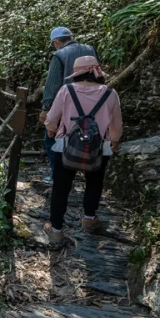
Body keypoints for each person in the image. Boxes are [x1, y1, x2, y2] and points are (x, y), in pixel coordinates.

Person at [44, 55, 122, 248]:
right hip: (98, 146)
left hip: (67, 145)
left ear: (78, 73)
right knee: (94, 182)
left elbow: (52, 118)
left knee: (61, 187)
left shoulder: (67, 91)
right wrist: (114, 141)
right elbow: (116, 124)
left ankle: (56, 230)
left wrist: (51, 130)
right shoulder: (110, 93)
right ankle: (88, 218)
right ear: (96, 73)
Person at [39, 26, 98, 183]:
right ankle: (84, 174)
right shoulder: (90, 49)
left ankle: (57, 176)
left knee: (53, 139)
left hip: (67, 104)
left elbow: (52, 85)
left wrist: (46, 108)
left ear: (56, 42)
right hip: (93, 104)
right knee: (87, 137)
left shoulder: (59, 55)